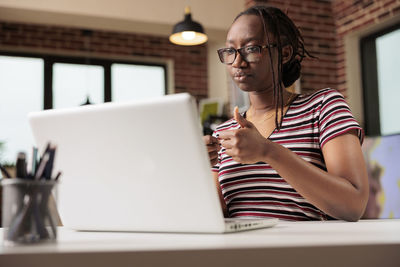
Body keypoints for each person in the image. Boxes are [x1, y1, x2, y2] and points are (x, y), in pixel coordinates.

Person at [203, 5, 369, 221]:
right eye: (230, 51)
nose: (237, 62)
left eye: (251, 49)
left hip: (307, 252)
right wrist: (196, 170)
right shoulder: (224, 133)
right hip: (238, 253)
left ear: (284, 53)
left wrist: (268, 151)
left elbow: (353, 205)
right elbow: (214, 217)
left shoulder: (323, 107)